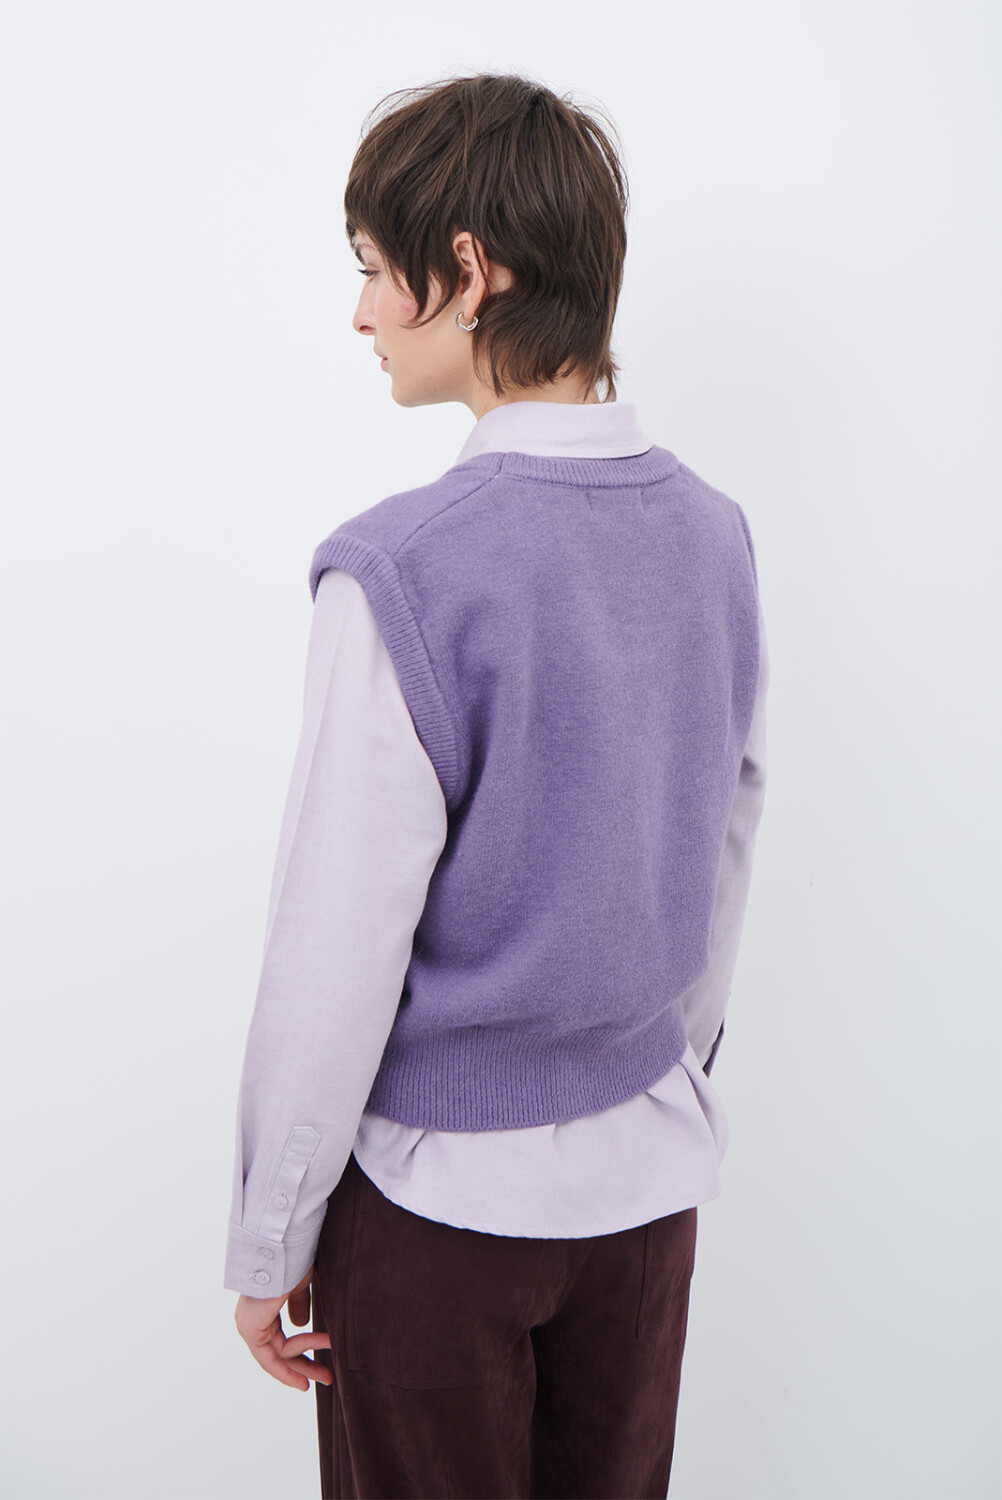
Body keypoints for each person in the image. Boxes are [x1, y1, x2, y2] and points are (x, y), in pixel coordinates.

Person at [223, 71, 768, 1500]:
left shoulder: (403, 570)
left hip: (435, 1214)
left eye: (370, 268)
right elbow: (723, 848)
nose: (360, 314)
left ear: (466, 270)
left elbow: (334, 948)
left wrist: (271, 1238)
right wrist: (645, 1070)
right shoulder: (712, 535)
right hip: (646, 1203)